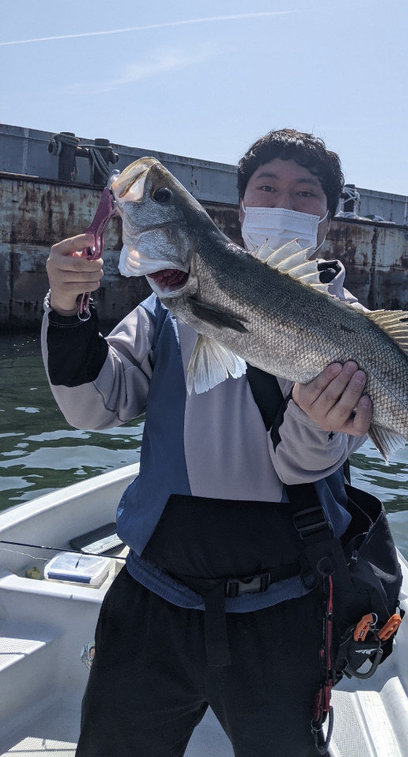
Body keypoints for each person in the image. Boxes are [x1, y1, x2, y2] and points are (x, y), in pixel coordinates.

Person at [42, 129, 372, 757]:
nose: (285, 202)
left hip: (285, 604)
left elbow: (304, 464)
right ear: (241, 209)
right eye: (267, 188)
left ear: (326, 224)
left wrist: (313, 413)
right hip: (154, 597)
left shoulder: (347, 325)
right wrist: (66, 309)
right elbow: (95, 404)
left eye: (306, 195)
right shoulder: (166, 306)